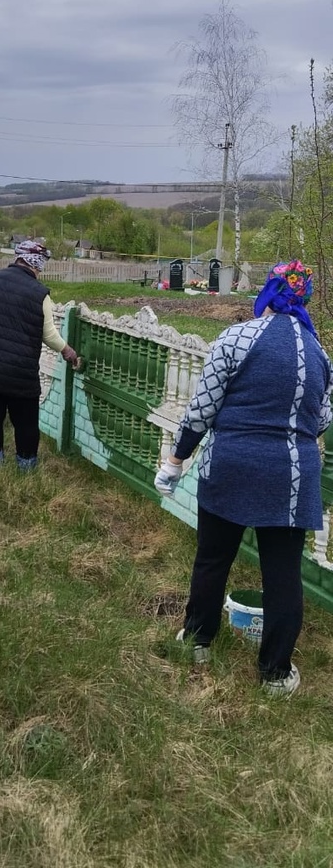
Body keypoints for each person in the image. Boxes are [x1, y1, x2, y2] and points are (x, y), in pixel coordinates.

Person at [155, 260, 333, 697]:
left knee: (214, 558)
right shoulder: (319, 352)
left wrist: (175, 460)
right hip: (292, 475)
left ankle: (197, 641)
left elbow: (202, 408)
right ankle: (275, 673)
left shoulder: (237, 337)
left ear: (270, 292)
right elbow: (323, 418)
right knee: (283, 572)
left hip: (231, 465)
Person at [0, 240, 78, 470]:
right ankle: (26, 470)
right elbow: (49, 335)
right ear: (36, 264)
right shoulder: (39, 293)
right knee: (25, 423)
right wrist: (68, 351)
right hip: (17, 372)